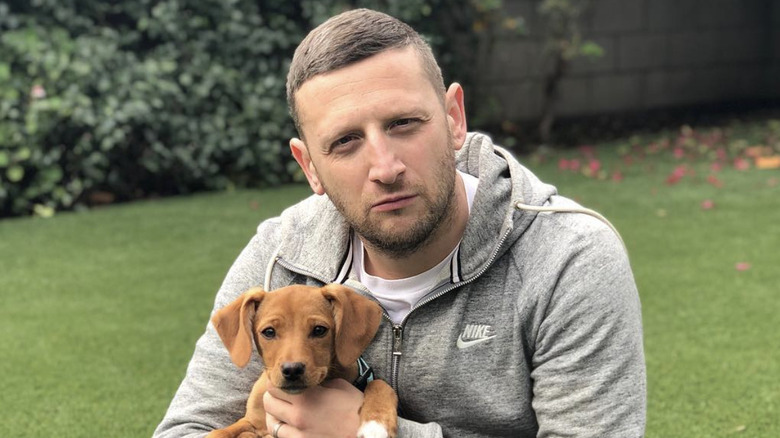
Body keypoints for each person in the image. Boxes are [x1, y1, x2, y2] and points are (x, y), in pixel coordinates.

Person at [153, 8, 646, 438]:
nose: (385, 167)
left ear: (454, 117)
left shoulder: (568, 259)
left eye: (403, 124)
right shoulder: (281, 255)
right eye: (345, 142)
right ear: (309, 168)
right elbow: (185, 429)